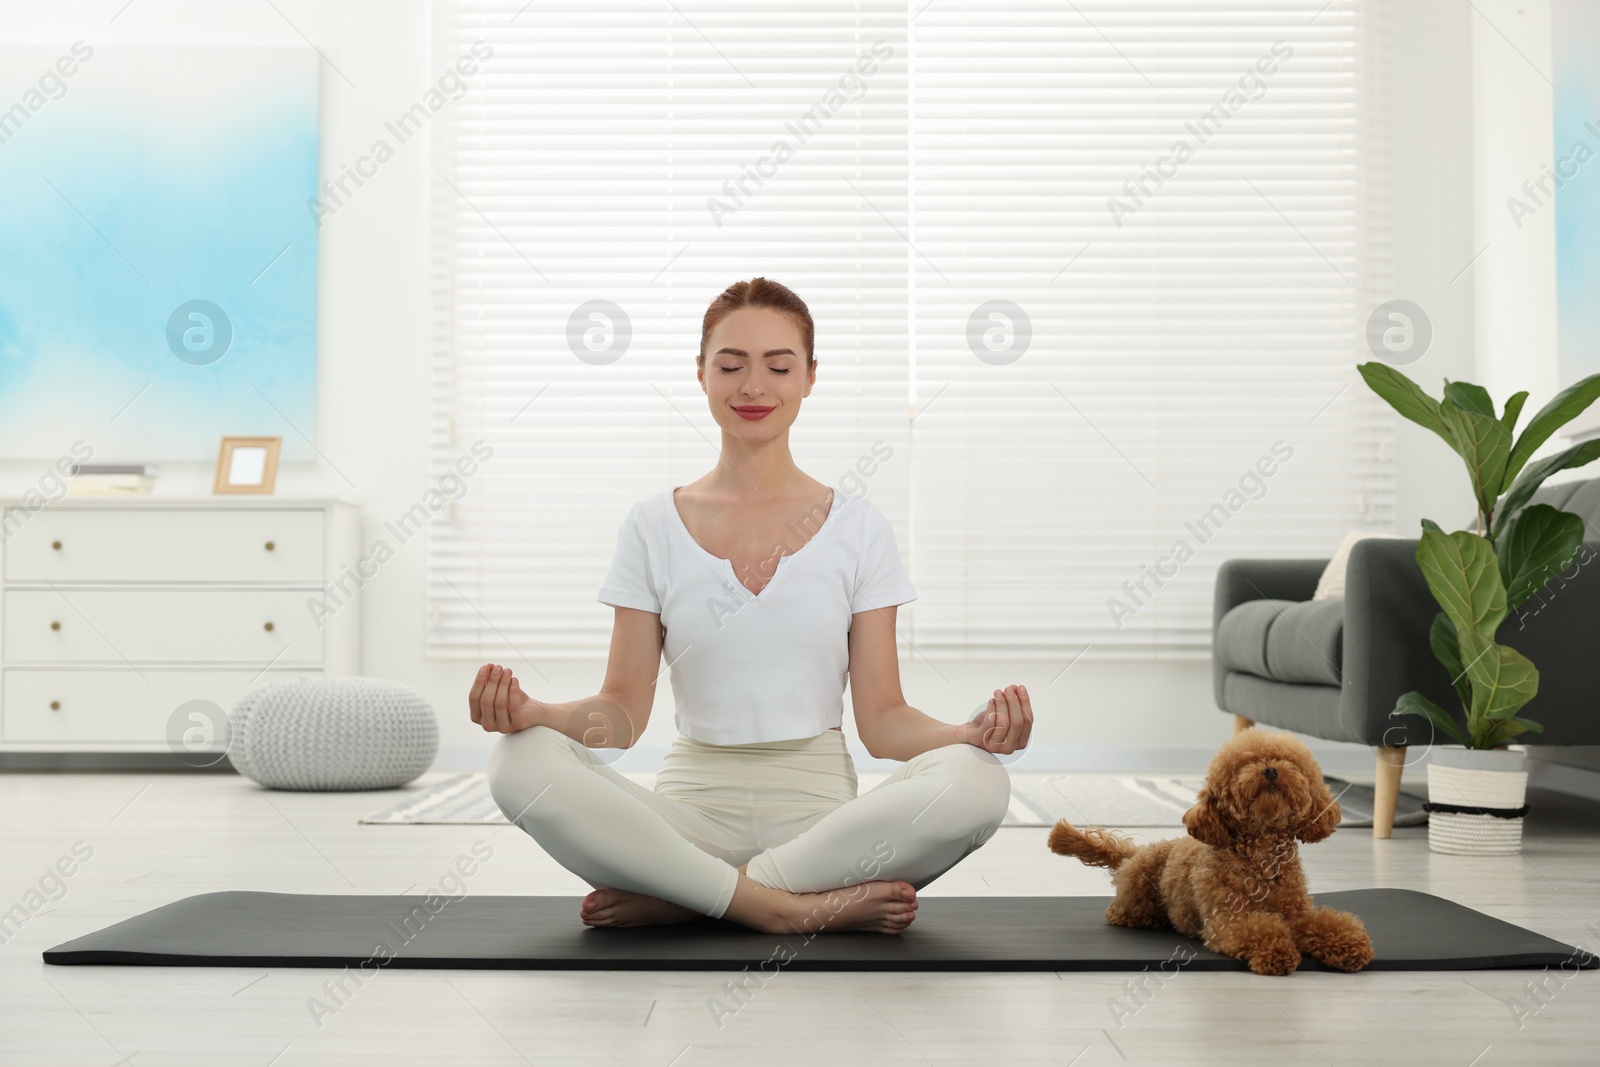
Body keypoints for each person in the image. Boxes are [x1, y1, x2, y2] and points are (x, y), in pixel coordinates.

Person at [471, 277, 1031, 936]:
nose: (753, 386)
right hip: (687, 822)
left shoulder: (859, 527)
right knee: (517, 761)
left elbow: (883, 722)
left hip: (823, 831)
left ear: (811, 377)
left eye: (779, 365)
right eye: (731, 365)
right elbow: (620, 718)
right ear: (701, 374)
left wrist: (969, 735)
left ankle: (693, 898)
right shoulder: (652, 525)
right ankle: (786, 910)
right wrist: (532, 714)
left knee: (980, 782)